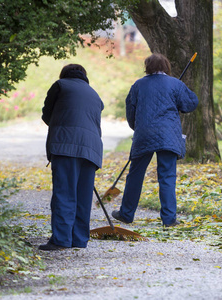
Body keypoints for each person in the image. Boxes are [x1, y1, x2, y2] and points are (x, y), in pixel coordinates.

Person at [111, 53, 198, 227]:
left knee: (135, 174)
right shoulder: (176, 84)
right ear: (166, 67)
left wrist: (137, 127)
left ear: (147, 67)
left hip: (144, 134)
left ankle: (126, 214)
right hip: (169, 135)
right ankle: (169, 219)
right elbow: (191, 103)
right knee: (167, 176)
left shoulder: (138, 85)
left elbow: (131, 112)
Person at [39, 64, 104, 251]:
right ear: (84, 76)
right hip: (91, 149)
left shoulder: (60, 85)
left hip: (66, 146)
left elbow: (47, 115)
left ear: (64, 74)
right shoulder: (95, 94)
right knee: (83, 197)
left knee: (65, 193)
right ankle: (79, 239)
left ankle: (61, 240)